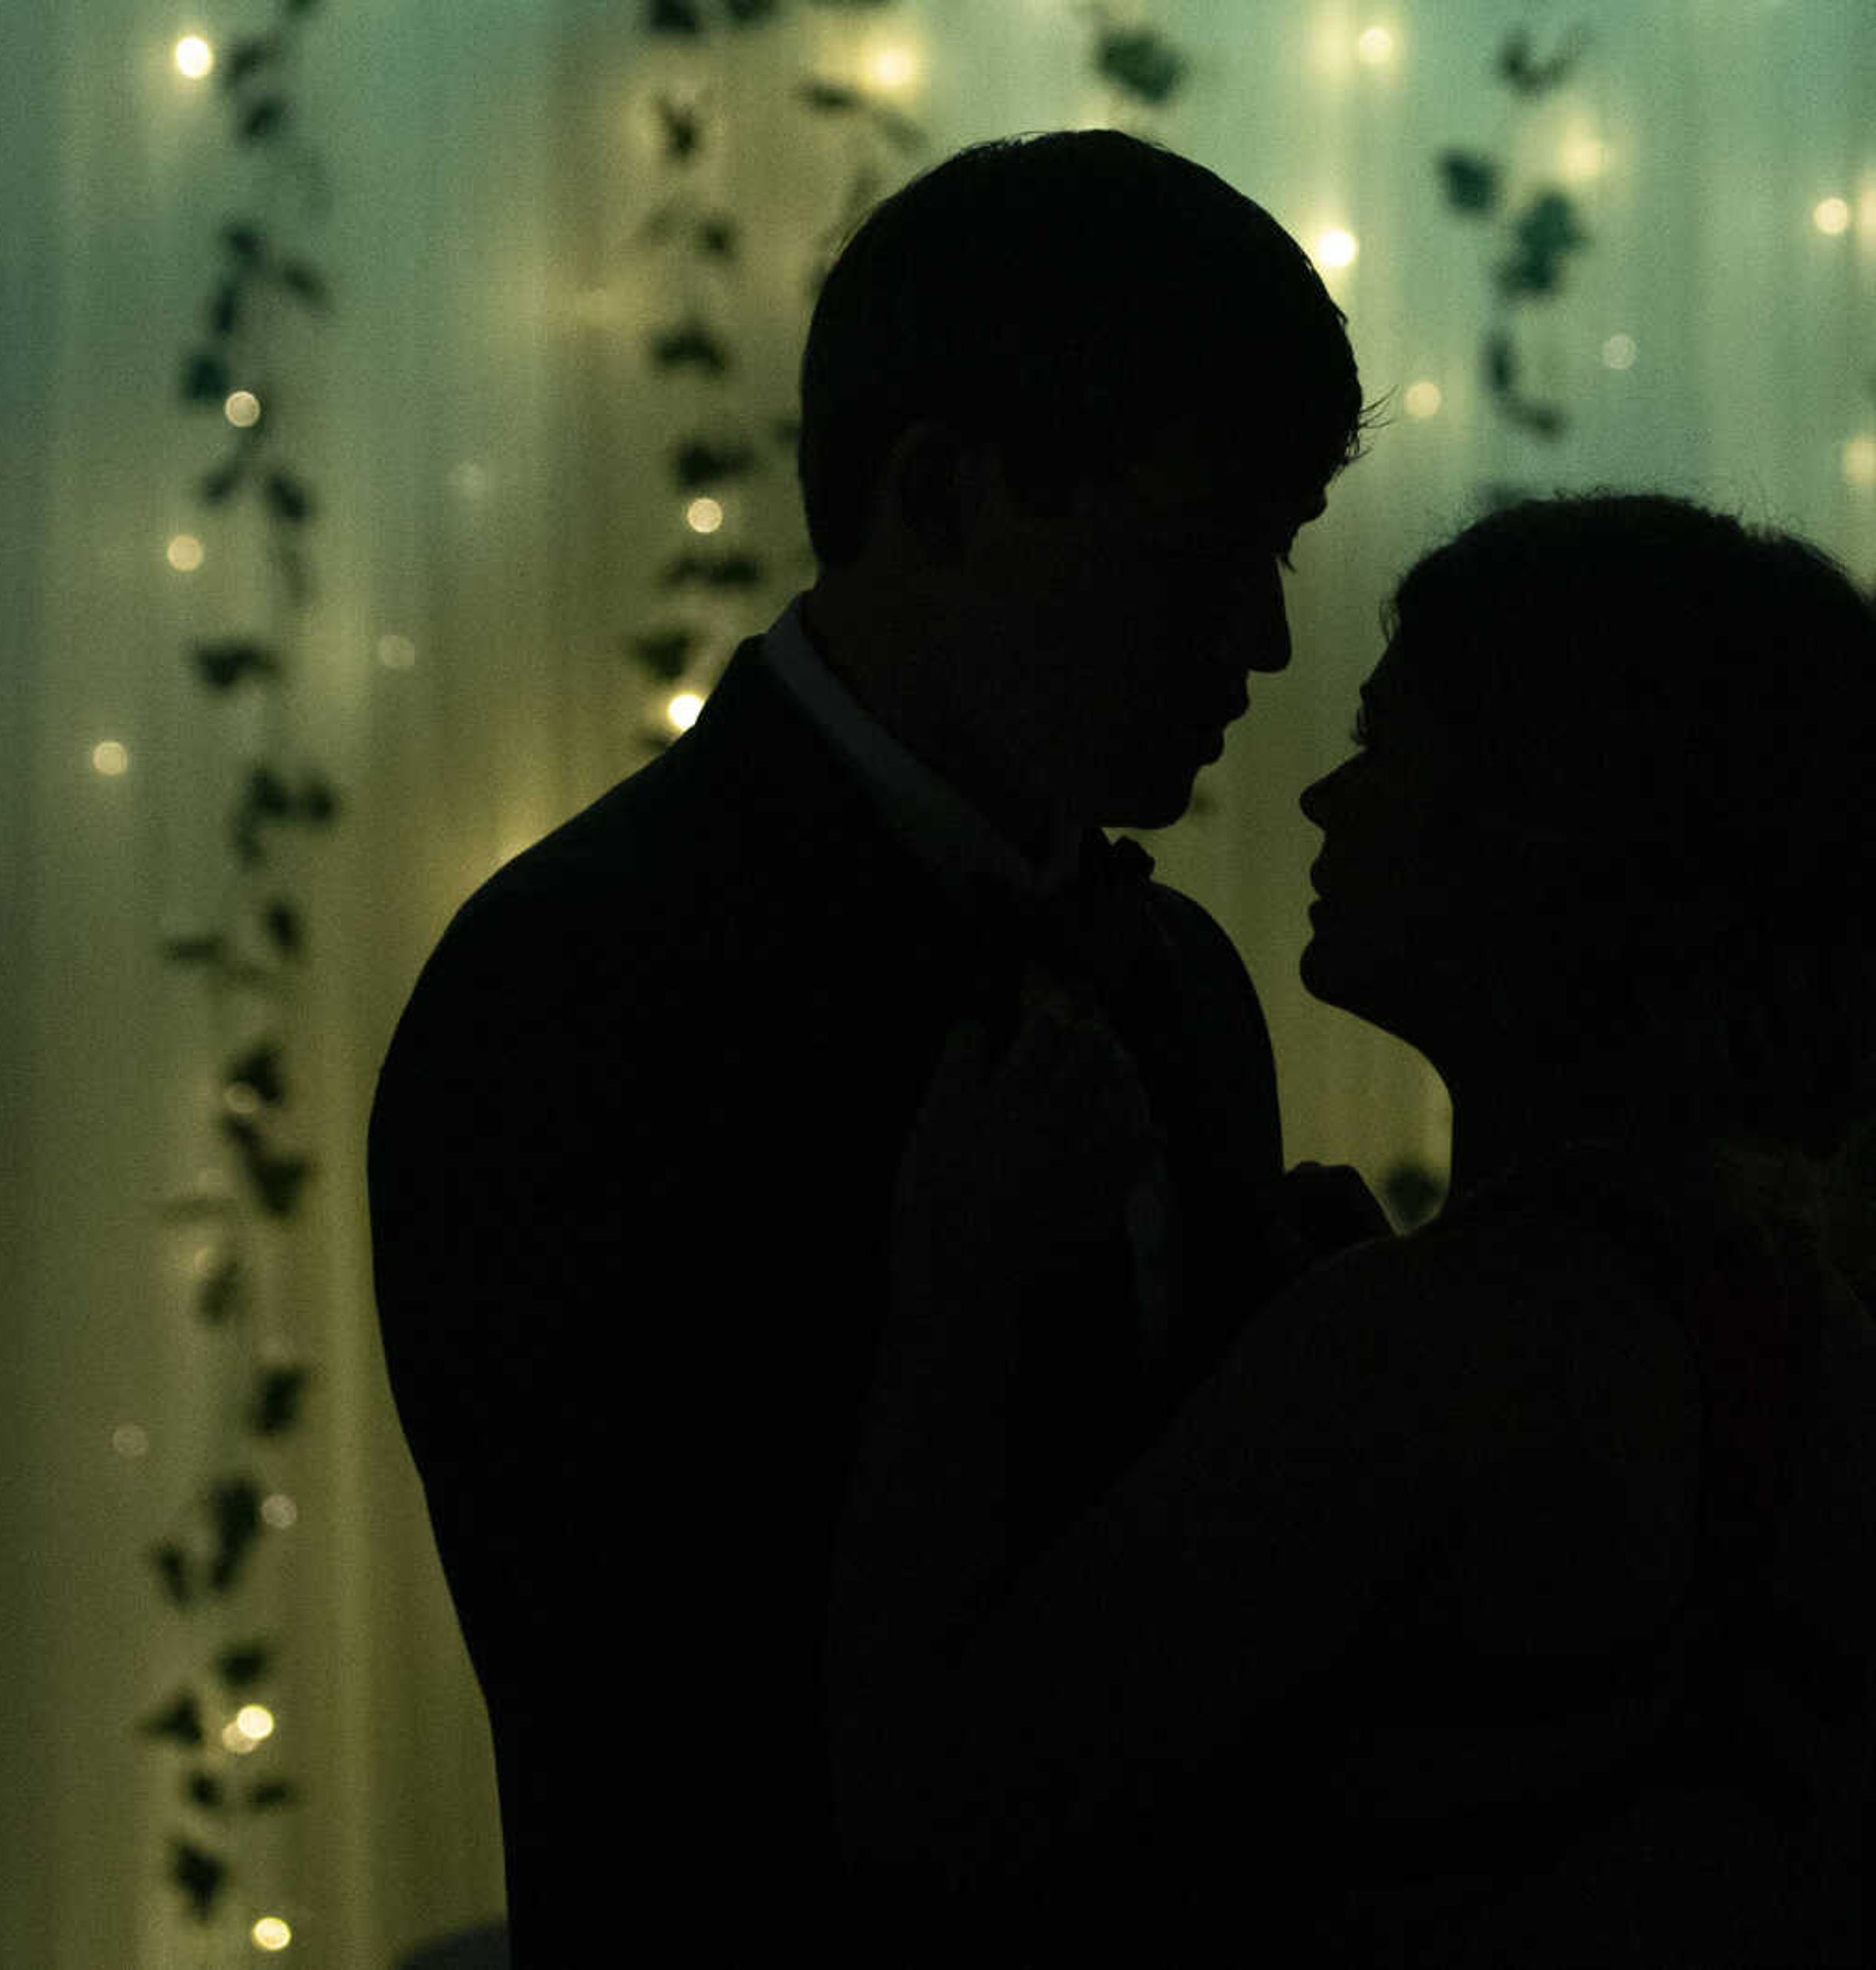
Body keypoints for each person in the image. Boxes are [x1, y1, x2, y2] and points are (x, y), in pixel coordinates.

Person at [367, 129, 1378, 1963]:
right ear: (939, 499)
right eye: (1206, 547)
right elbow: (660, 1750)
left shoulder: (1180, 978)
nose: (1268, 638)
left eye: (1284, 546)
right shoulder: (574, 985)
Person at [831, 492, 1876, 1964]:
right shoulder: (1816, 1336)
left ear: (1547, 832)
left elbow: (931, 1803)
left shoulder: (1424, 1351)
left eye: (1387, 745)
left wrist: (956, 1309)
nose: (1325, 798)